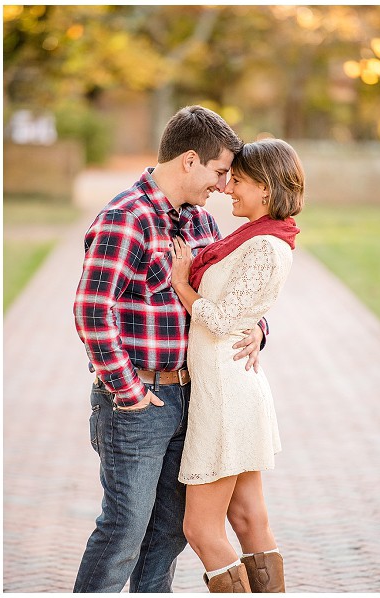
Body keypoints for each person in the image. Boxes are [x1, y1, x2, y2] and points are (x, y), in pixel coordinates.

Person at [73, 105, 267, 592]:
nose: (223, 186)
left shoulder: (201, 222)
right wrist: (130, 391)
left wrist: (260, 328)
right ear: (188, 160)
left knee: (166, 535)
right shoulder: (126, 218)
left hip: (195, 400)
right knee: (124, 533)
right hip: (140, 402)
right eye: (220, 171)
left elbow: (231, 290)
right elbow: (93, 312)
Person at [169, 139, 303, 593]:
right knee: (247, 518)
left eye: (239, 181)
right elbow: (242, 310)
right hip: (232, 383)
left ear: (266, 188)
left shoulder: (266, 245)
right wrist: (258, 328)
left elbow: (225, 319)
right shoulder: (259, 237)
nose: (229, 189)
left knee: (201, 531)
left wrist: (183, 285)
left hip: (224, 396)